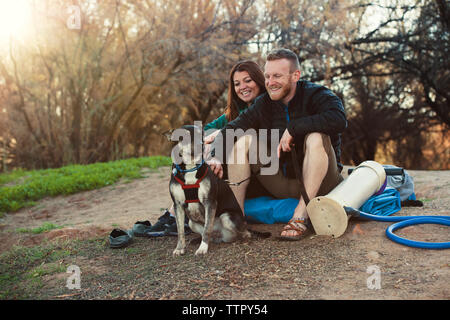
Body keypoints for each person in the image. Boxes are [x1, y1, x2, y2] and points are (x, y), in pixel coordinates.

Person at [206, 48, 347, 240]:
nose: (270, 83)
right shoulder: (263, 103)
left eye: (277, 76)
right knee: (244, 140)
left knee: (315, 135)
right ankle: (236, 220)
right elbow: (232, 128)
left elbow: (339, 119)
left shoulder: (317, 95)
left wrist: (294, 128)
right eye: (267, 76)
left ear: (295, 75)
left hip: (322, 182)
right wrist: (215, 156)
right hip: (282, 181)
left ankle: (299, 217)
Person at [146, 60, 267, 236]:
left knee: (217, 138)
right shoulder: (235, 111)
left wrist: (216, 138)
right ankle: (175, 213)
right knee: (204, 143)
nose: (242, 87)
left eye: (248, 80)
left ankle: (183, 216)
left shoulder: (266, 105)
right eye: (237, 83)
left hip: (257, 173)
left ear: (258, 80)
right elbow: (205, 132)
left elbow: (251, 137)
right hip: (233, 172)